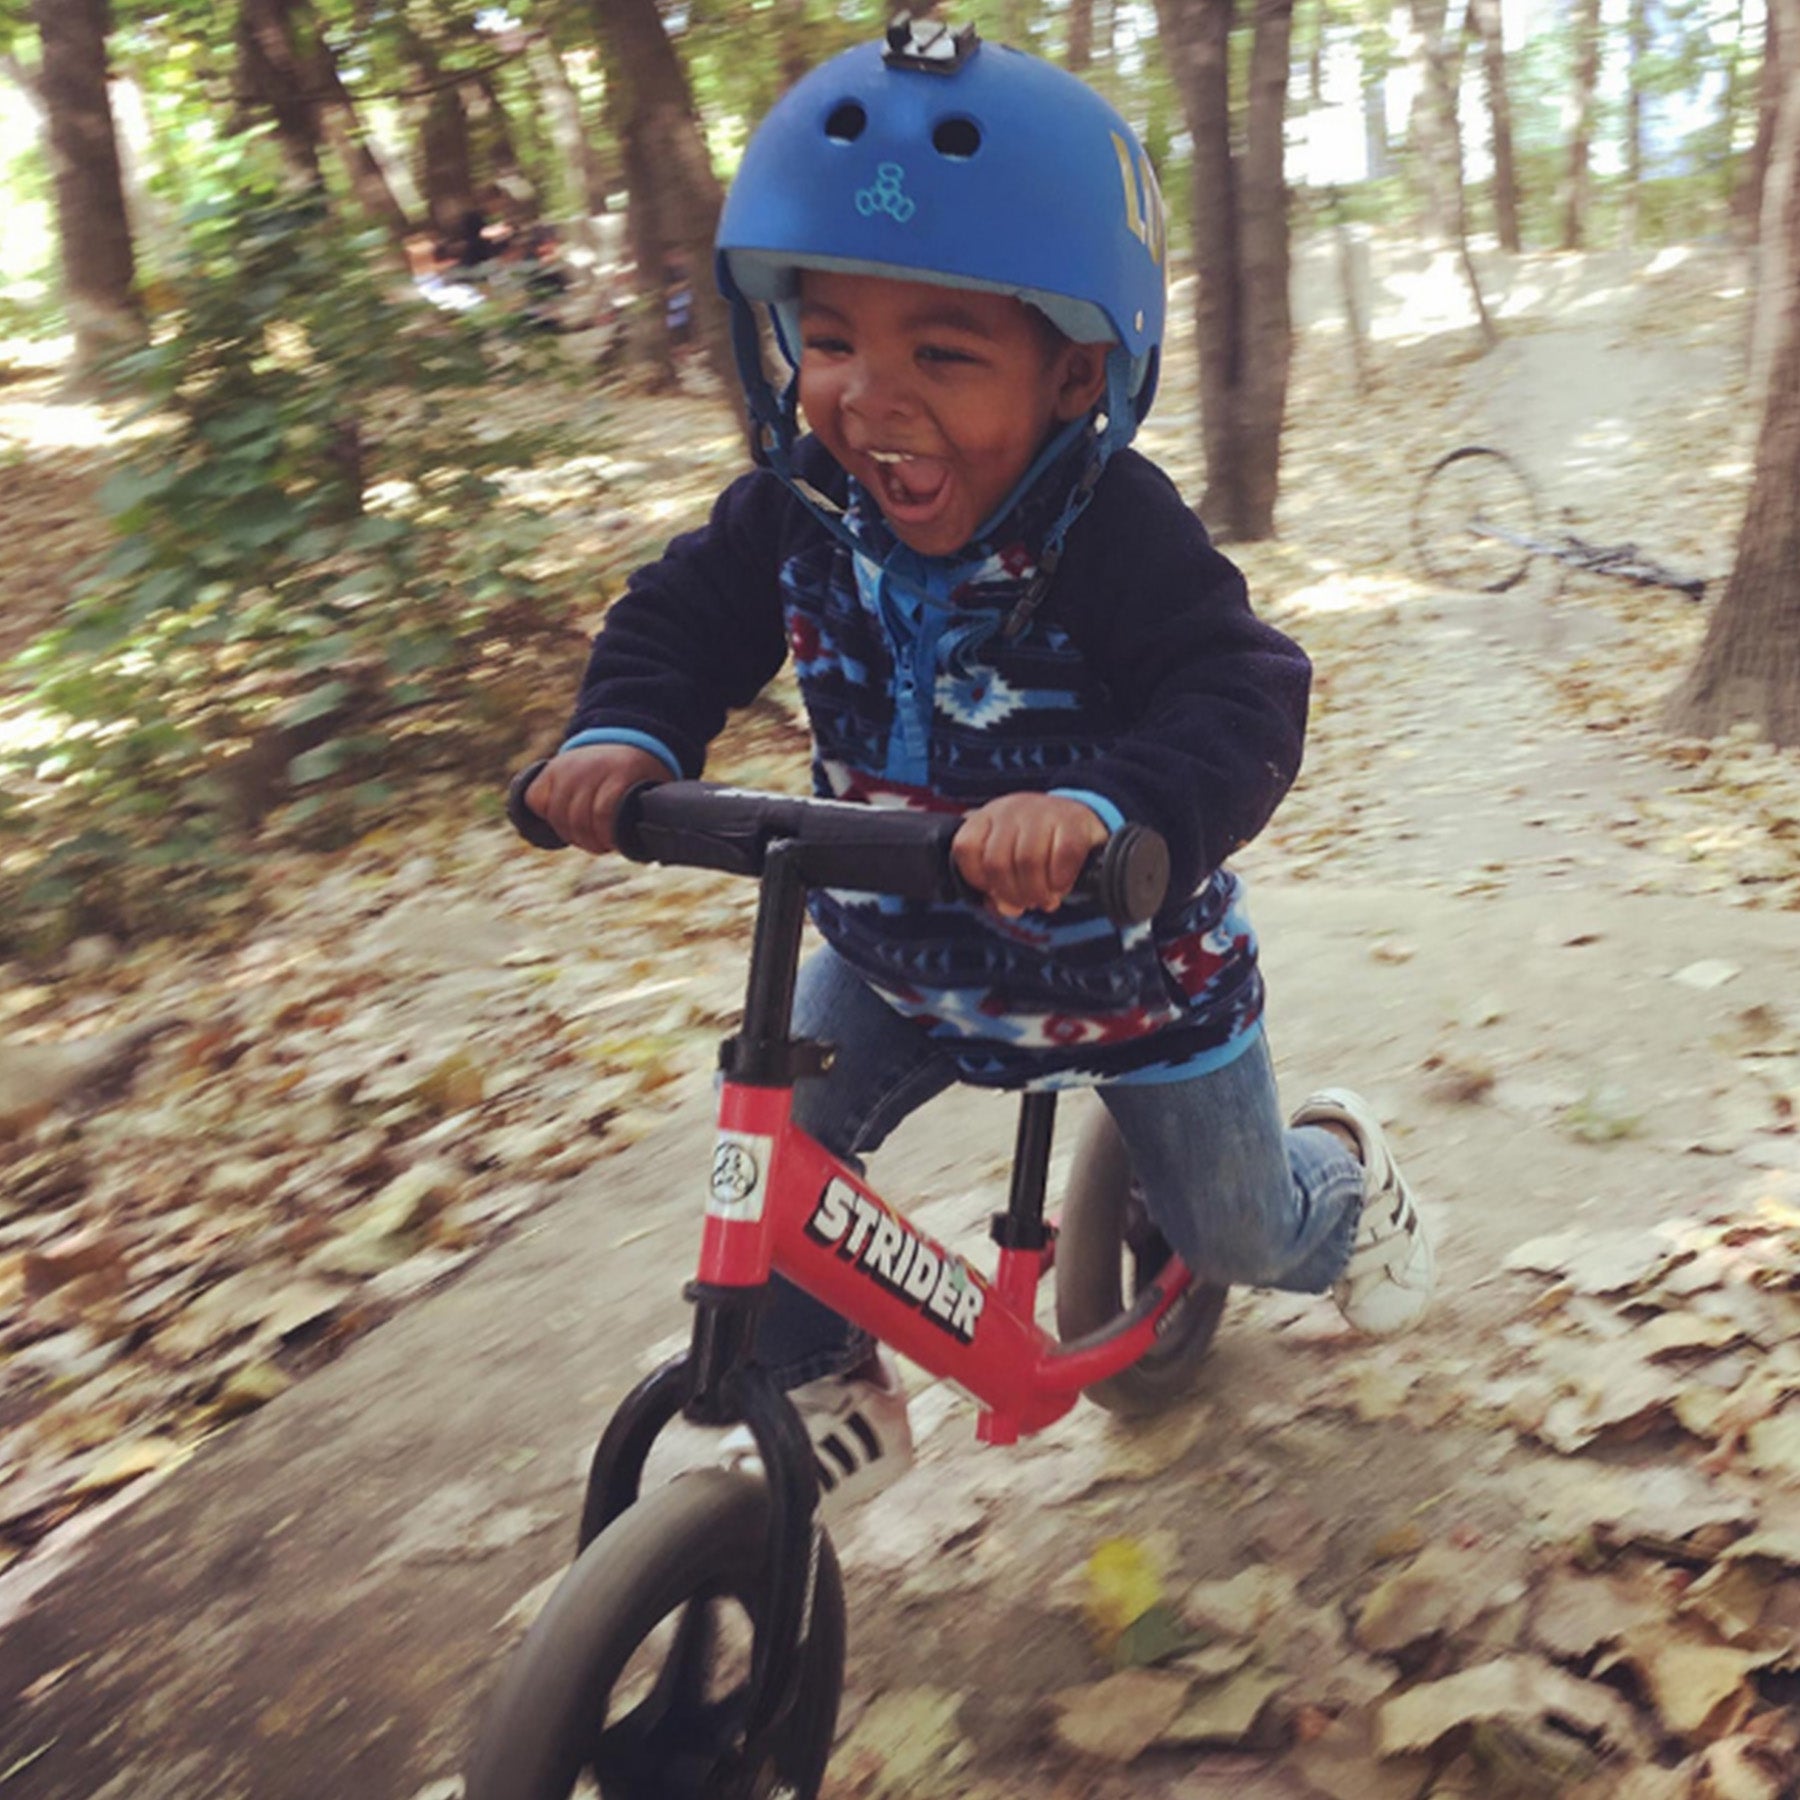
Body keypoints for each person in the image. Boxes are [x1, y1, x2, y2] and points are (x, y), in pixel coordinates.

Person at [524, 20, 1435, 1513]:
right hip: (892, 950)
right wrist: (627, 730)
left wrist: (1105, 807)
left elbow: (1243, 690)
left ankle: (1343, 1180)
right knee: (773, 1157)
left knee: (1242, 1232)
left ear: (1078, 376)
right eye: (830, 342)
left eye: (940, 354)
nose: (871, 400)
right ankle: (823, 1378)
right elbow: (682, 617)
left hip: (1130, 973)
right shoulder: (802, 506)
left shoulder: (1115, 535)